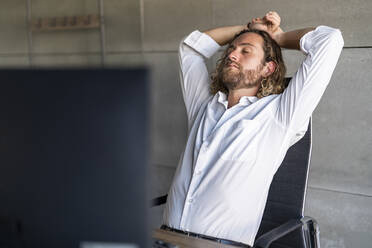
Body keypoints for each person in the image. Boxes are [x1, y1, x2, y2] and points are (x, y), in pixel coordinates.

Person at [160, 11, 344, 247]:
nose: (232, 54)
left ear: (268, 69)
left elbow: (330, 40)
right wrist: (250, 29)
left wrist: (277, 37)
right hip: (165, 239)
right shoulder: (203, 106)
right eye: (231, 49)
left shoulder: (280, 114)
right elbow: (190, 49)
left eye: (245, 50)